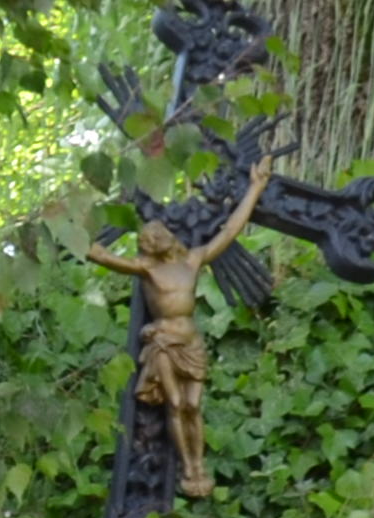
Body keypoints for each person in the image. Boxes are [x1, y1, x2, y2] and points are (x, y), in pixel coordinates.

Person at [85, 159, 273, 500]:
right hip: (164, 343)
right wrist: (83, 220)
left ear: (166, 238)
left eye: (153, 238)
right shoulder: (147, 268)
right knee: (174, 403)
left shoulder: (193, 260)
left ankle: (199, 466)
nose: (150, 242)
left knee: (193, 405)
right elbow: (99, 255)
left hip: (191, 342)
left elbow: (230, 230)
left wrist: (256, 187)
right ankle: (188, 467)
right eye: (147, 239)